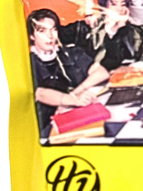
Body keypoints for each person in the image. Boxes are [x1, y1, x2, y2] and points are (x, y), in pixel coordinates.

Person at [27, 8, 109, 141]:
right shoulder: (28, 63)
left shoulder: (70, 52)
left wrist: (76, 93)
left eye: (53, 29)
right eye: (42, 31)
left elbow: (101, 72)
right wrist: (70, 100)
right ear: (32, 36)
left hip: (79, 118)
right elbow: (39, 93)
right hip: (47, 131)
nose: (49, 36)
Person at [60, 0, 143, 71]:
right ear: (104, 7)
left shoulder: (133, 32)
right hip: (88, 75)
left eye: (123, 4)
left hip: (120, 75)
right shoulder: (87, 27)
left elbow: (132, 55)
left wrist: (122, 28)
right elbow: (59, 34)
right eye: (114, 4)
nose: (120, 9)